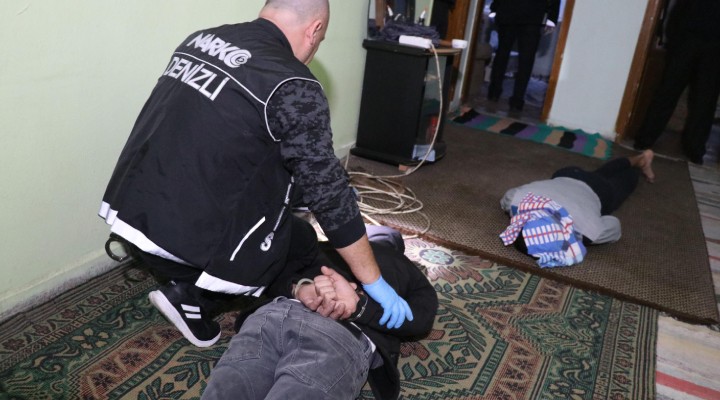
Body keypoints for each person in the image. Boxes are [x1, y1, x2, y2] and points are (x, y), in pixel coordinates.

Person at [98, 0, 411, 348]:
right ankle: (193, 298)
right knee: (300, 241)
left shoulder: (201, 40)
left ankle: (185, 275)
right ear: (315, 30)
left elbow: (225, 146)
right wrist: (374, 282)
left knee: (286, 188)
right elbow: (329, 198)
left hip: (129, 216)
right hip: (180, 244)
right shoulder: (293, 82)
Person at [200, 223, 439, 400]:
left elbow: (268, 276)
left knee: (231, 385)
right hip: (338, 336)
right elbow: (420, 320)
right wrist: (358, 307)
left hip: (274, 315)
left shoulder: (321, 247)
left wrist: (299, 287)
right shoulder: (409, 271)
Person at [499, 150, 655, 267]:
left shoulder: (587, 231)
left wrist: (583, 238)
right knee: (600, 173)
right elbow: (508, 195)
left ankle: (641, 163)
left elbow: (614, 226)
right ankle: (639, 158)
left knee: (627, 179)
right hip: (567, 173)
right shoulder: (517, 202)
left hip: (600, 191)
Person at [633, 0, 720, 165]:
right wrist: (670, 37)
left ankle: (694, 149)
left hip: (711, 46)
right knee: (668, 92)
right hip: (686, 38)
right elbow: (678, 7)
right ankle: (645, 139)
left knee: (704, 101)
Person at [486, 0, 560, 111]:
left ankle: (494, 92)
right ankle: (517, 100)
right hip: (532, 14)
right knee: (525, 59)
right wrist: (552, 17)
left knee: (502, 54)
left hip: (510, 10)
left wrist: (495, 8)